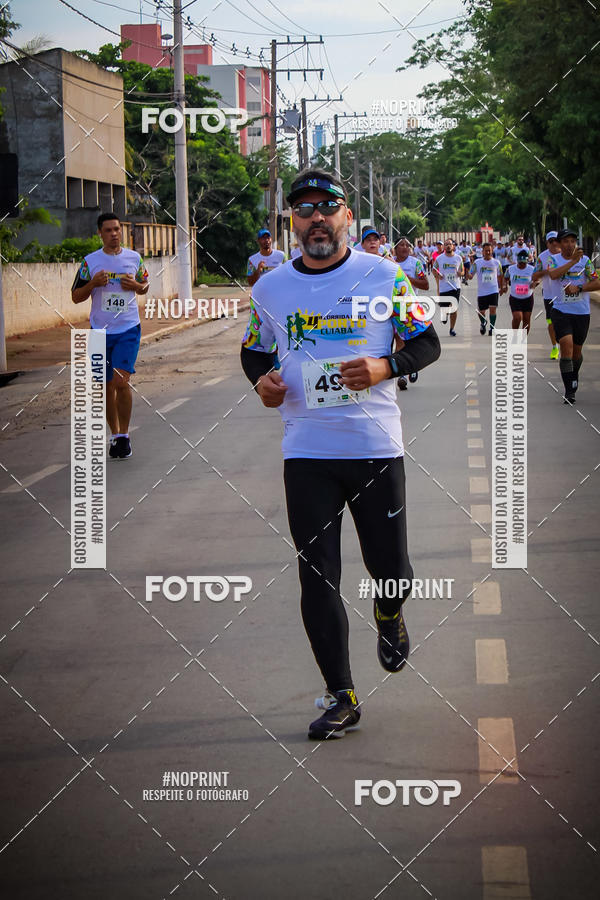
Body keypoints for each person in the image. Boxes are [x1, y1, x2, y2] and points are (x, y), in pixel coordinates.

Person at [240, 167, 441, 740]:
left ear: (347, 215)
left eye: (326, 208)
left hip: (374, 447)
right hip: (306, 451)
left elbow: (426, 342)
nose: (316, 220)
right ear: (292, 223)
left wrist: (385, 366)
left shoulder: (384, 275)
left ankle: (389, 611)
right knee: (316, 576)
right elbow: (254, 352)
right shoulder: (272, 288)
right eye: (303, 211)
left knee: (391, 571)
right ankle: (341, 694)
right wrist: (262, 382)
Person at [71, 212, 149, 460]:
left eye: (117, 229)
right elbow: (75, 296)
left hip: (127, 328)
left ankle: (124, 436)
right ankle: (115, 434)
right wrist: (93, 284)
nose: (114, 234)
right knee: (104, 387)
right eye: (108, 230)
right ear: (100, 233)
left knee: (121, 382)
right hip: (98, 330)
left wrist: (135, 286)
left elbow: (145, 285)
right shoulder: (90, 262)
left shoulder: (134, 258)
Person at [546, 227, 600, 404]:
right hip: (561, 310)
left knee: (576, 353)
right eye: (566, 241)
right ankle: (569, 390)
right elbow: (553, 275)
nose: (569, 245)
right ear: (560, 244)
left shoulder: (585, 261)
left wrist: (580, 288)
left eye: (572, 241)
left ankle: (573, 375)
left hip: (582, 312)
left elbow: (597, 282)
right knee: (566, 345)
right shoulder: (553, 260)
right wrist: (571, 262)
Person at [393, 237, 430, 388]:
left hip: (411, 307)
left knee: (412, 341)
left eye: (407, 245)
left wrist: (408, 280)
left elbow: (426, 285)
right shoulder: (389, 263)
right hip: (394, 308)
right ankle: (402, 373)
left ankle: (413, 367)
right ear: (395, 248)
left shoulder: (415, 264)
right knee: (399, 341)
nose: (404, 247)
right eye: (400, 245)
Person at [531, 231, 561, 358]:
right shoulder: (542, 257)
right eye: (551, 241)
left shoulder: (566, 255)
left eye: (556, 240)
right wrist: (546, 272)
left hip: (565, 295)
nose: (554, 243)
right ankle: (555, 347)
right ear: (547, 243)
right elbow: (535, 275)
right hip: (549, 295)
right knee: (551, 323)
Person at [468, 241, 504, 335]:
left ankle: (492, 328)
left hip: (493, 290)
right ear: (482, 252)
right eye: (486, 251)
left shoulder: (496, 263)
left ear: (492, 251)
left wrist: (502, 287)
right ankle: (483, 322)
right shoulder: (477, 262)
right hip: (482, 291)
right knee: (481, 312)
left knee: (493, 309)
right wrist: (467, 274)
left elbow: (500, 276)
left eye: (489, 251)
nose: (488, 252)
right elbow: (471, 275)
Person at [433, 237, 463, 336]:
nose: (448, 246)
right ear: (444, 247)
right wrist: (438, 275)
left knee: (454, 308)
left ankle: (452, 329)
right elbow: (434, 270)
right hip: (444, 287)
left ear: (453, 246)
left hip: (455, 287)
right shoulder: (439, 258)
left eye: (450, 244)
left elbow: (462, 271)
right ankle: (444, 314)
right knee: (444, 309)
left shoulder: (458, 258)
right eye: (446, 244)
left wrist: (460, 273)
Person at [506, 249, 535, 333]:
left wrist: (535, 283)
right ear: (517, 261)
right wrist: (504, 286)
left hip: (528, 297)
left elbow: (538, 278)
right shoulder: (511, 269)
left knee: (526, 319)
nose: (522, 265)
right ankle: (515, 335)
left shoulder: (532, 269)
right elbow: (506, 278)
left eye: (524, 263)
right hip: (515, 298)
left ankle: (523, 339)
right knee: (517, 317)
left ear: (527, 261)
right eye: (520, 263)